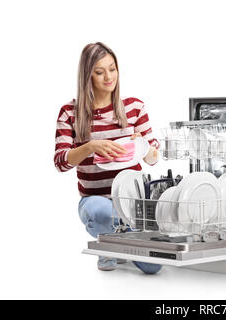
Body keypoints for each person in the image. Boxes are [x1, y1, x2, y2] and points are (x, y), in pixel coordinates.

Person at [54, 42, 162, 274]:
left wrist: (142, 145)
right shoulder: (70, 113)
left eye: (112, 69)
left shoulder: (134, 107)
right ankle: (115, 243)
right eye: (99, 72)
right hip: (95, 201)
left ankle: (117, 242)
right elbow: (61, 162)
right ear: (87, 75)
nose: (108, 77)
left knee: (153, 268)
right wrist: (90, 146)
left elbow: (153, 158)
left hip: (133, 203)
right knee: (102, 212)